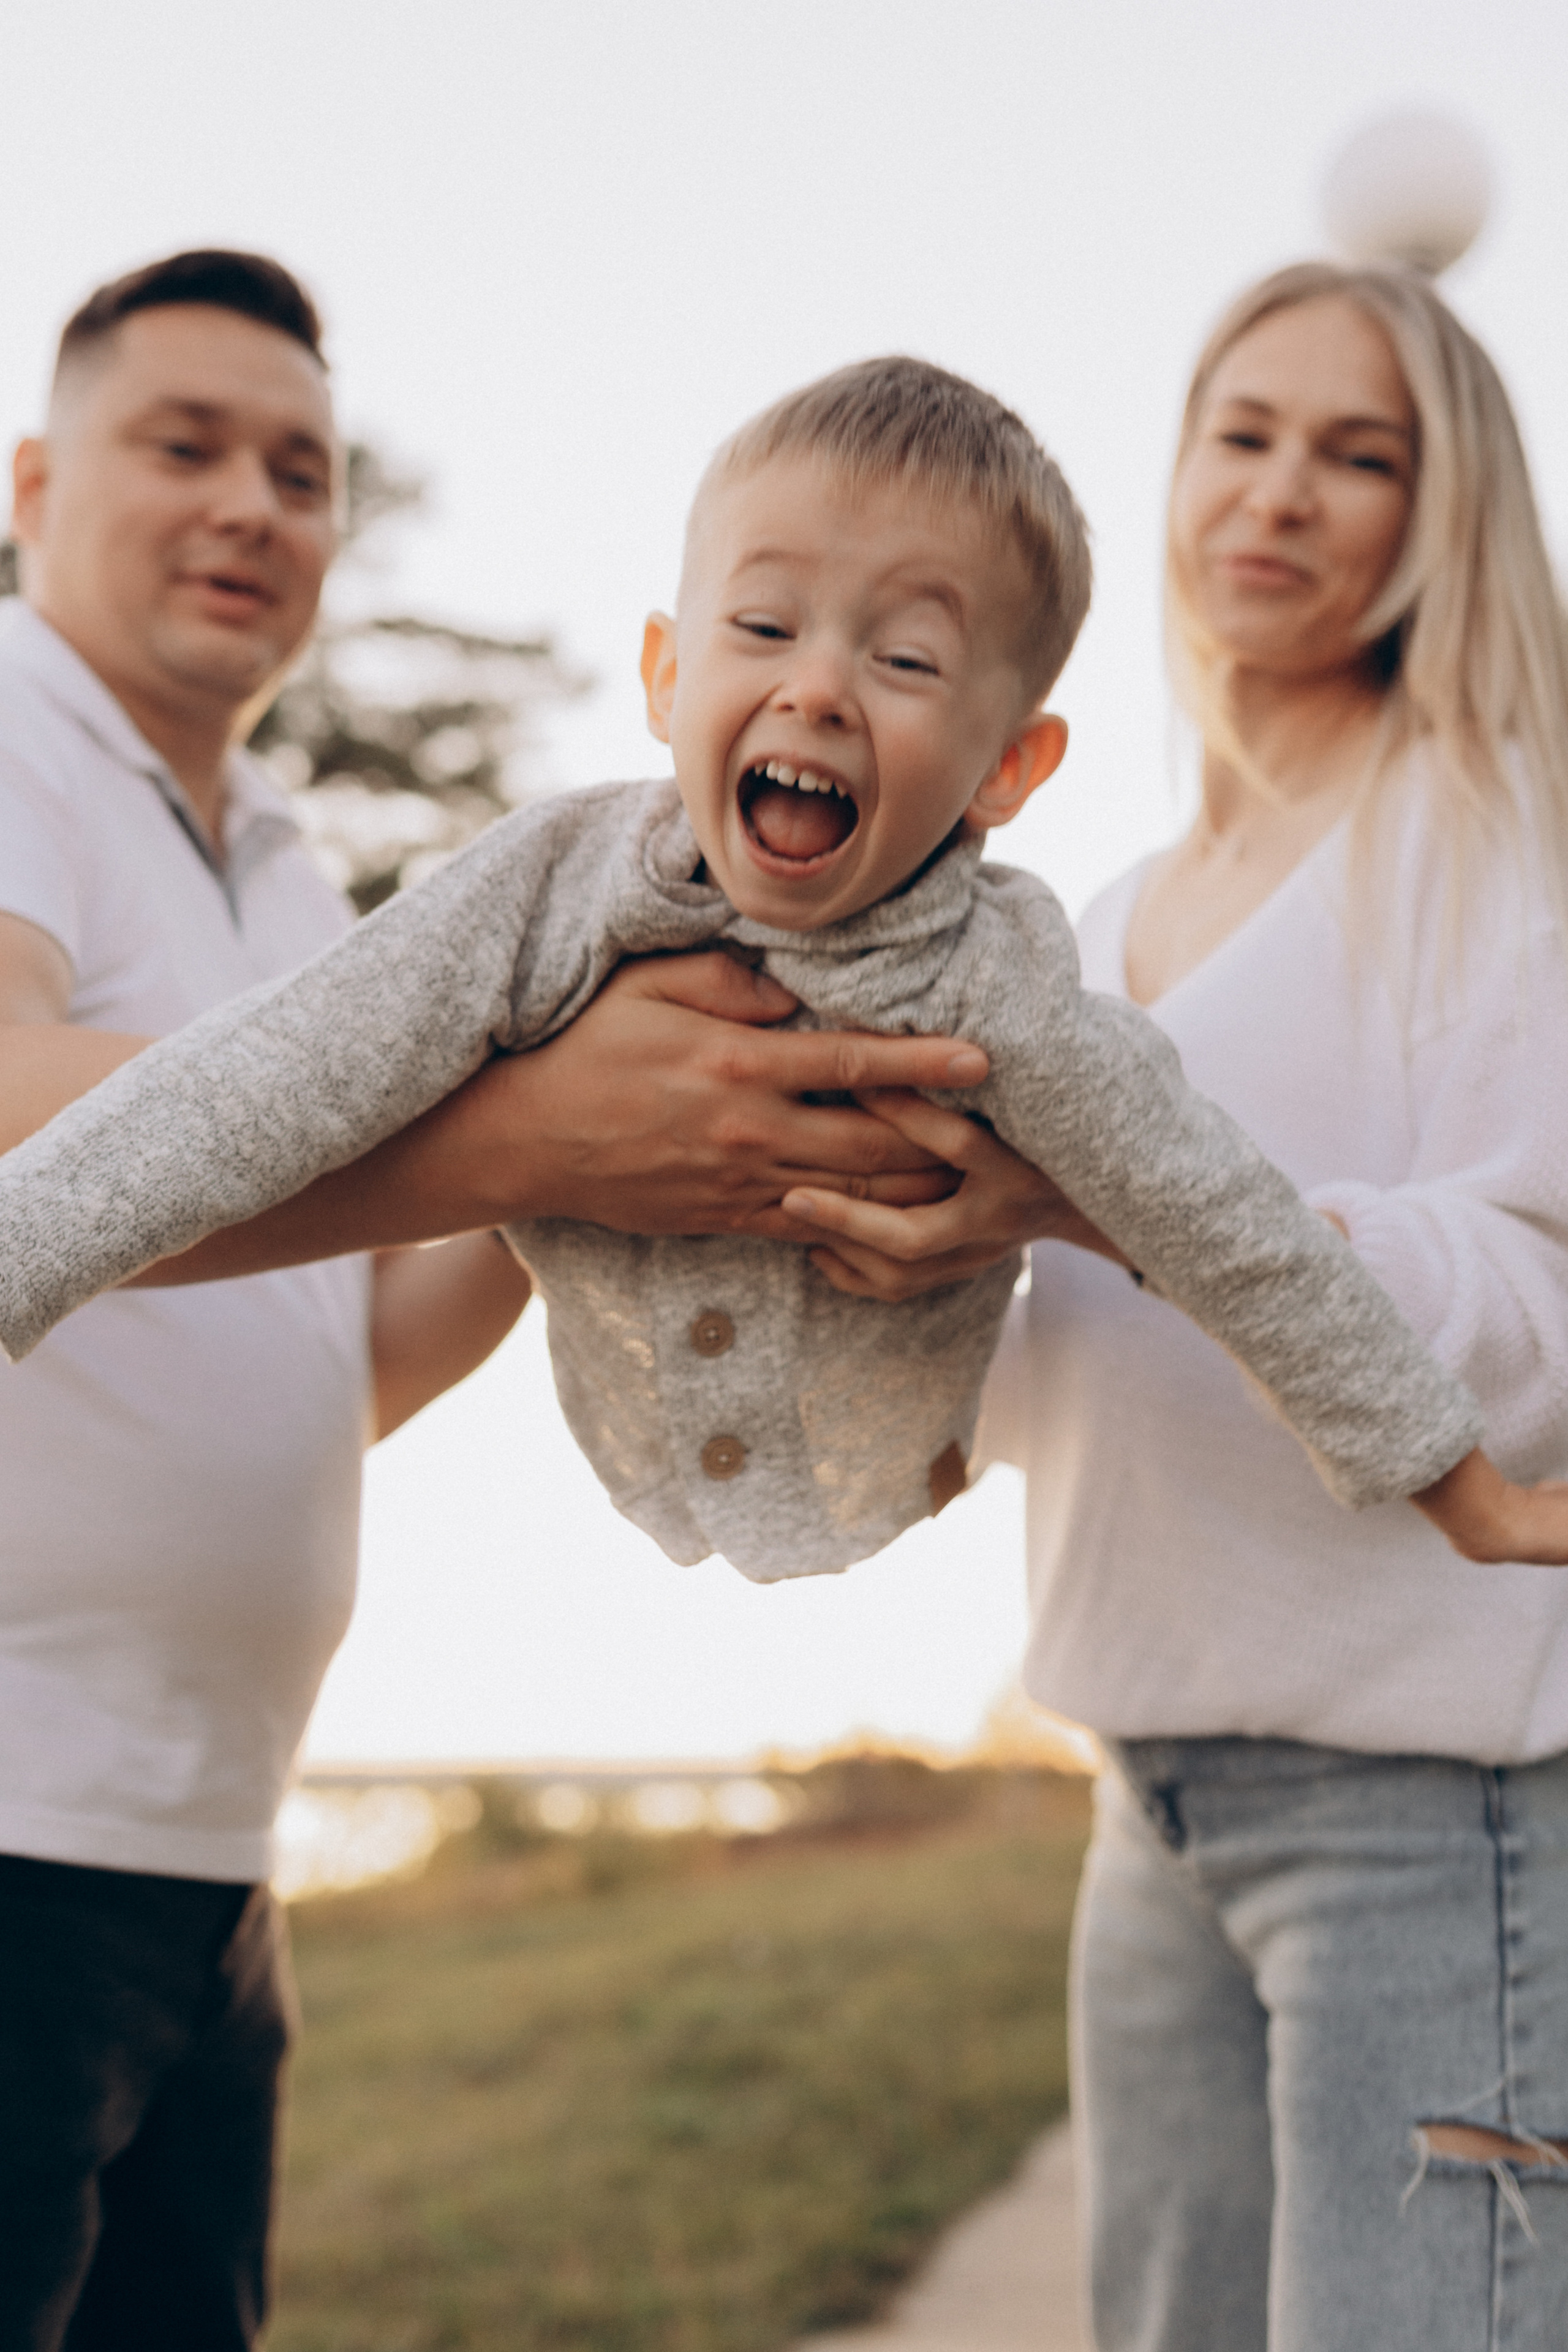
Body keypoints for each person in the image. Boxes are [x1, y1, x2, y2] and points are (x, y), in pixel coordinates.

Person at [0, 255, 978, 2352]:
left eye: (301, 471)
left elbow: (328, 1351)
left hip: (196, 1860)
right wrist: (535, 1134)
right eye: (183, 447)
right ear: (29, 483)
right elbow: (15, 1136)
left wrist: (663, 1152)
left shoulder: (276, 873)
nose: (253, 507)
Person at [0, 359, 1556, 1589]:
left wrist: (1453, 1482)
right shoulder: (543, 887)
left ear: (1008, 765)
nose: (815, 682)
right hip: (627, 1436)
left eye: (905, 660)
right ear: (670, 673)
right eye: (764, 625)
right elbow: (265, 1078)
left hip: (891, 1466)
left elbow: (1239, 1235)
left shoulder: (1006, 989)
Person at [802, 265, 1568, 2348]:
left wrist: (1113, 1199)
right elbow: (1076, 1364)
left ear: (1448, 514)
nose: (1285, 492)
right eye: (1244, 432)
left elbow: (1536, 1299)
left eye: (1361, 452)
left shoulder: (1501, 846)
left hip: (1431, 1820)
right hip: (1145, 1797)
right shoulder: (1113, 906)